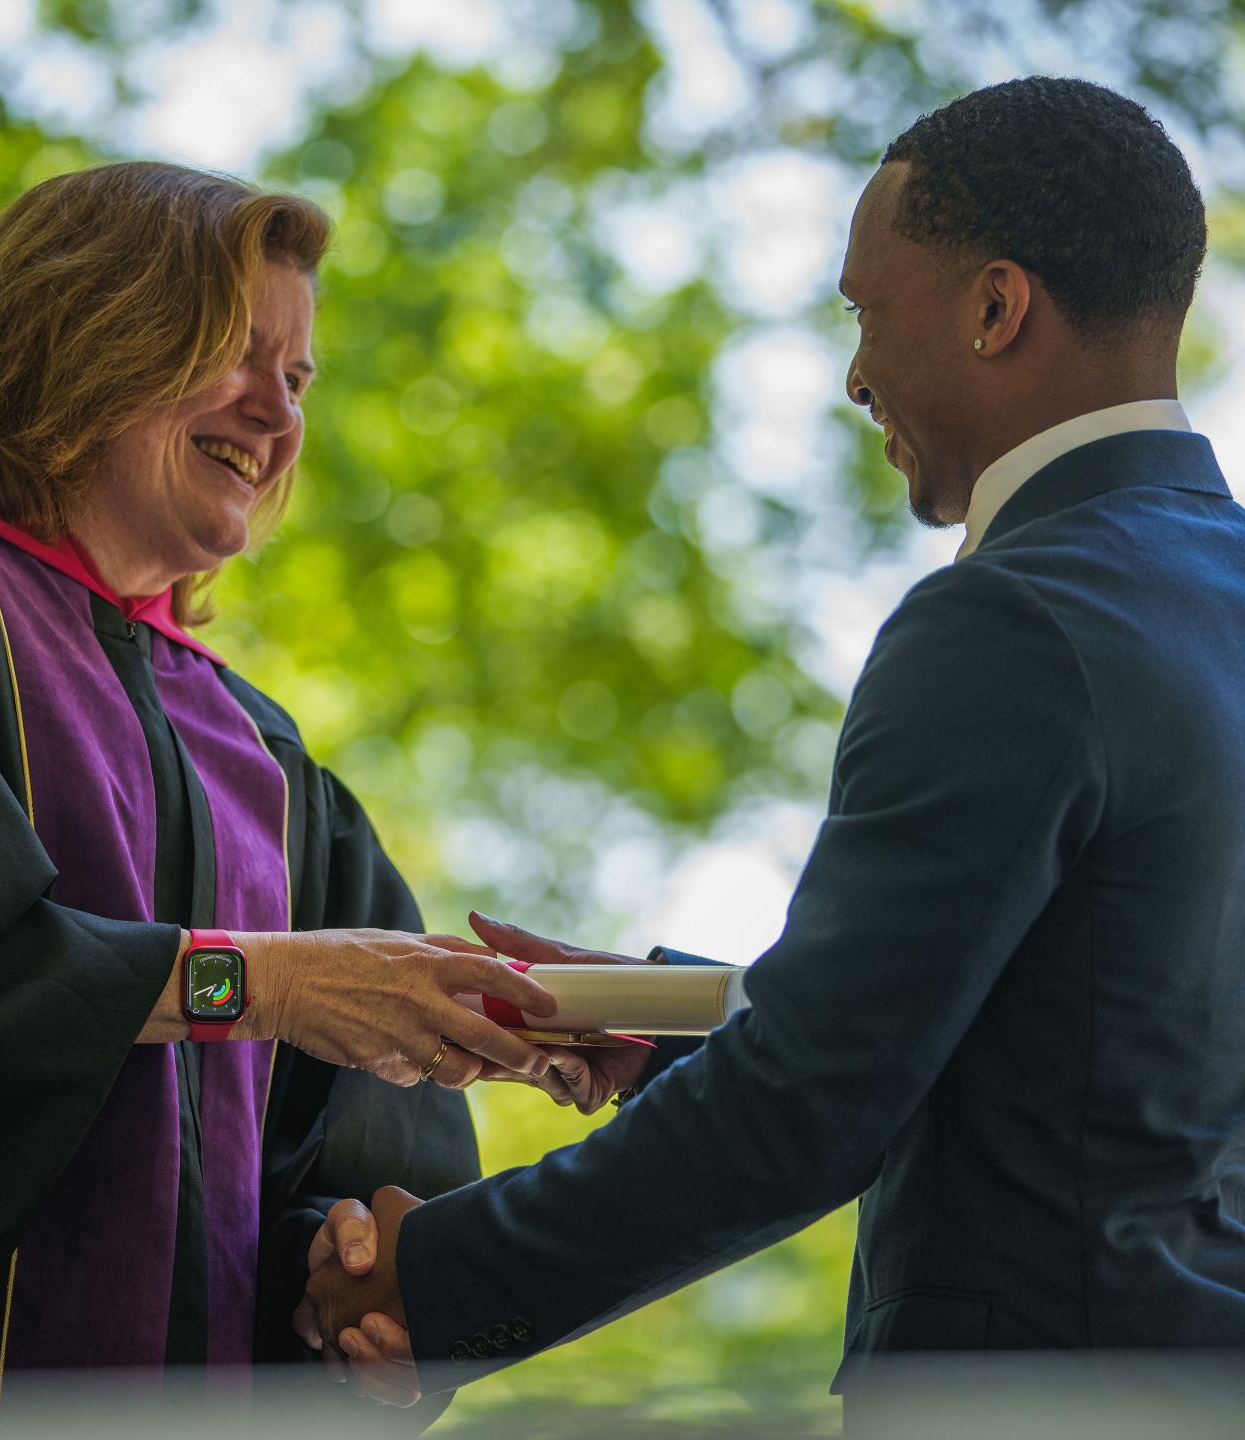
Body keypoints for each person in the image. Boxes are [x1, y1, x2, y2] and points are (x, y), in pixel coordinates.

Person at [302, 75, 1245, 1408]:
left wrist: (439, 1281)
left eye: (868, 314)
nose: (856, 373)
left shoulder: (1015, 618)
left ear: (994, 308)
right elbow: (1093, 1037)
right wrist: (672, 1015)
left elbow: (814, 1100)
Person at [0, 161, 560, 1396]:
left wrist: (355, 1272)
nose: (276, 412)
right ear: (83, 331)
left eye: (300, 378)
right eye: (236, 352)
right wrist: (248, 984)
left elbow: (364, 1154)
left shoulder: (265, 759)